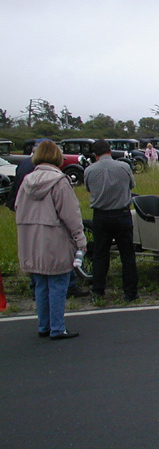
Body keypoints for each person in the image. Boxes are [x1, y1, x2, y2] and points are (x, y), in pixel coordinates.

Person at [15, 140, 86, 340]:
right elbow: (71, 214)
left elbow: (18, 209)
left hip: (30, 239)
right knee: (58, 284)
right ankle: (57, 327)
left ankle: (44, 325)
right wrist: (80, 239)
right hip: (54, 238)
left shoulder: (27, 180)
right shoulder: (59, 181)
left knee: (40, 284)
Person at [83, 139, 139, 302]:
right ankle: (130, 293)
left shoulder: (89, 170)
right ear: (110, 150)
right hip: (121, 214)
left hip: (100, 216)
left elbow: (88, 188)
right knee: (127, 255)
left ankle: (98, 291)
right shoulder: (124, 167)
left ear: (95, 154)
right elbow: (132, 185)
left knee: (100, 255)